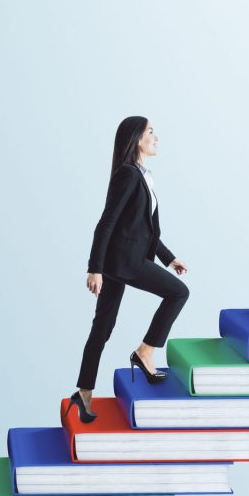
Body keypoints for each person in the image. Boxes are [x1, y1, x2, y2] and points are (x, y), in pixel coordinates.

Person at [69, 116, 189, 423]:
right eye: (150, 131)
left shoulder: (142, 175)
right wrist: (94, 268)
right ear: (136, 138)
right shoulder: (128, 174)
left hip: (121, 260)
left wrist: (168, 258)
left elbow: (143, 230)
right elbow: (107, 222)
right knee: (178, 293)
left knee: (102, 328)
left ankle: (83, 394)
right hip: (124, 262)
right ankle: (145, 352)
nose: (156, 136)